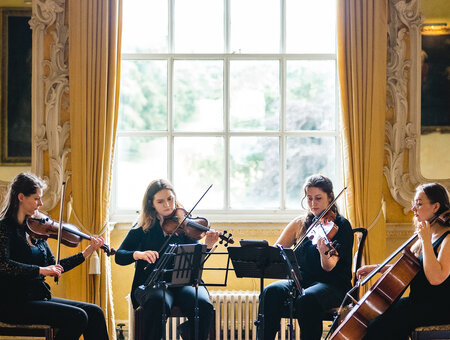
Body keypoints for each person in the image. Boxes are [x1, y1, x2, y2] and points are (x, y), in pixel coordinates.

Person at [0, 172, 109, 340]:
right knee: (78, 317)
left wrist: (86, 253)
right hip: (13, 302)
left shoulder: (36, 228)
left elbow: (54, 265)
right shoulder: (5, 228)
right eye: (36, 198)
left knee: (95, 312)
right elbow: (3, 265)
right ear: (21, 197)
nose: (41, 203)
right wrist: (41, 270)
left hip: (38, 296)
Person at [115, 179, 220, 340]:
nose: (167, 205)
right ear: (151, 204)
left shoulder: (186, 224)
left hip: (184, 283)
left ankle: (188, 332)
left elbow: (195, 259)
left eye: (170, 199)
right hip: (152, 284)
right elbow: (120, 255)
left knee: (203, 305)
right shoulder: (143, 226)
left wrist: (207, 246)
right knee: (158, 302)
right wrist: (138, 254)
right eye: (160, 201)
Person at [257, 174, 354, 340]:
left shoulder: (341, 226)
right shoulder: (301, 223)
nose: (313, 204)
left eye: (318, 198)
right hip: (303, 281)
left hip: (334, 285)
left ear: (330, 197)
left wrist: (323, 250)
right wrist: (263, 253)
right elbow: (276, 251)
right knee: (270, 292)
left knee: (307, 298)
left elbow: (329, 267)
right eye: (309, 198)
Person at [359, 183, 450, 340]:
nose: (413, 208)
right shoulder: (426, 234)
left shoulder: (447, 238)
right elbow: (413, 267)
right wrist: (377, 268)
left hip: (438, 307)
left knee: (379, 327)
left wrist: (426, 241)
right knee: (373, 319)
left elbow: (436, 278)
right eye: (414, 203)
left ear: (436, 207)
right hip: (418, 302)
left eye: (419, 203)